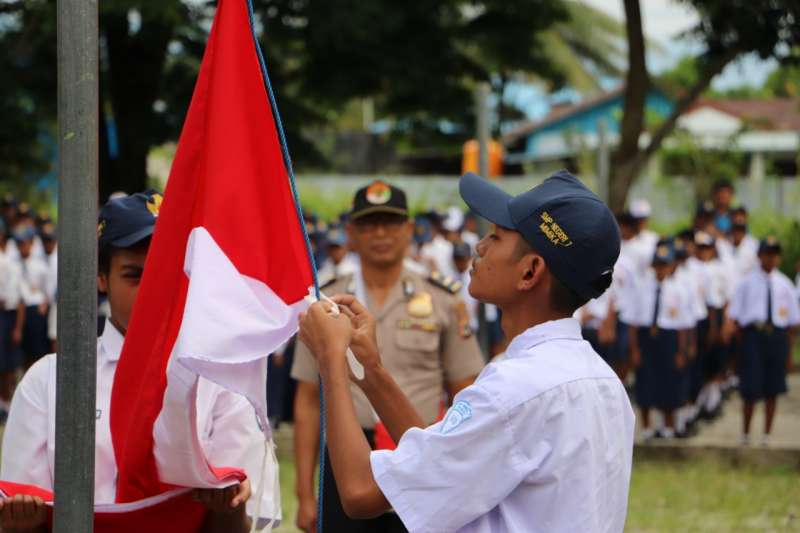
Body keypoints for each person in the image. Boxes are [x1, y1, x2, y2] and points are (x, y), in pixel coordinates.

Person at [298, 170, 634, 532]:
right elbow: (439, 457)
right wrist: (372, 370)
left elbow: (360, 492)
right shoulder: (601, 380)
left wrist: (331, 360)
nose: (479, 247)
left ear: (529, 271)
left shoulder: (515, 389)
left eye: (496, 236)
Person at [0, 191, 279, 532]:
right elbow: (21, 512)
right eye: (135, 276)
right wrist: (19, 517)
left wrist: (229, 504)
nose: (154, 293)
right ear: (101, 278)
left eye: (170, 275)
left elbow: (242, 520)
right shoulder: (50, 380)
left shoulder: (221, 379)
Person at [291, 180, 484, 533]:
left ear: (409, 229)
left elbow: (464, 392)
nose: (380, 233)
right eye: (367, 224)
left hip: (416, 446)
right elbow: (306, 400)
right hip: (347, 450)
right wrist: (304, 492)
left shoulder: (442, 297)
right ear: (350, 232)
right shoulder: (325, 300)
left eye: (391, 223)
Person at [727, 236, 800, 446]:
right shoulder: (747, 283)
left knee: (773, 388)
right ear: (759, 256)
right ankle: (746, 433)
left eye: (775, 255)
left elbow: (793, 323)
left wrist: (788, 350)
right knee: (750, 387)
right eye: (767, 254)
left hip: (776, 336)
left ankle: (767, 434)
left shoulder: (785, 284)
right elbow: (735, 316)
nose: (771, 259)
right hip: (753, 335)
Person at [629, 242, 693, 440]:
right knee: (645, 381)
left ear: (671, 265)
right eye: (658, 264)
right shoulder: (642, 288)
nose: (661, 269)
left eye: (665, 265)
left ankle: (667, 426)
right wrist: (635, 349)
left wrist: (681, 351)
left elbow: (683, 325)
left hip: (669, 338)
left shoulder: (678, 290)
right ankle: (647, 427)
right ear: (652, 266)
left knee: (669, 381)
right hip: (647, 337)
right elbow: (633, 322)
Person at [12, 226, 50, 370]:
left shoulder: (39, 265)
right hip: (19, 310)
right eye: (19, 244)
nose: (21, 247)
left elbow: (47, 289)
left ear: (31, 243)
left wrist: (44, 304)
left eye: (24, 243)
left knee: (38, 350)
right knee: (22, 351)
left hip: (35, 310)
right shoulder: (14, 263)